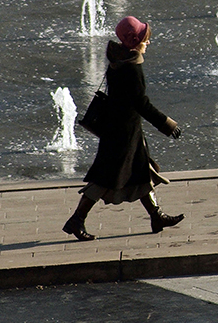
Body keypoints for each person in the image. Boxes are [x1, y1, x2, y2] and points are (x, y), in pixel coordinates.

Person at [63, 16, 184, 241]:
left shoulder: (118, 61)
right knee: (104, 179)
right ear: (136, 40)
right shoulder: (132, 68)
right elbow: (141, 104)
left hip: (122, 129)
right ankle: (76, 220)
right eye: (145, 39)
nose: (148, 43)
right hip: (122, 134)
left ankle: (156, 215)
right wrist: (167, 124)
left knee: (141, 171)